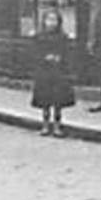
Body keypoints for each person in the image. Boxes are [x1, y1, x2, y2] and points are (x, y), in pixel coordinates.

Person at [30, 7, 75, 137]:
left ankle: (57, 125)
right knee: (45, 100)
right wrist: (44, 58)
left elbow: (67, 54)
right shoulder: (39, 37)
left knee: (58, 100)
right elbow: (34, 54)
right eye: (49, 20)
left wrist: (59, 58)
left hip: (58, 72)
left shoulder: (62, 37)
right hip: (44, 72)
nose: (51, 23)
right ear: (44, 21)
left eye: (54, 20)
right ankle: (45, 124)